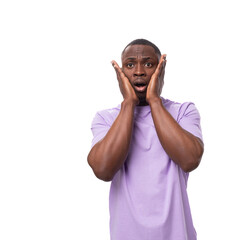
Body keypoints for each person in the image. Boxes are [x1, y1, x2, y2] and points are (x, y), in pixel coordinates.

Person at [87, 39, 204, 240]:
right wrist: (129, 103)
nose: (139, 71)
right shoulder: (106, 118)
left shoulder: (183, 111)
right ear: (121, 73)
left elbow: (190, 159)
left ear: (161, 69)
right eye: (130, 65)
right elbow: (103, 170)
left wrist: (154, 101)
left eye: (148, 64)